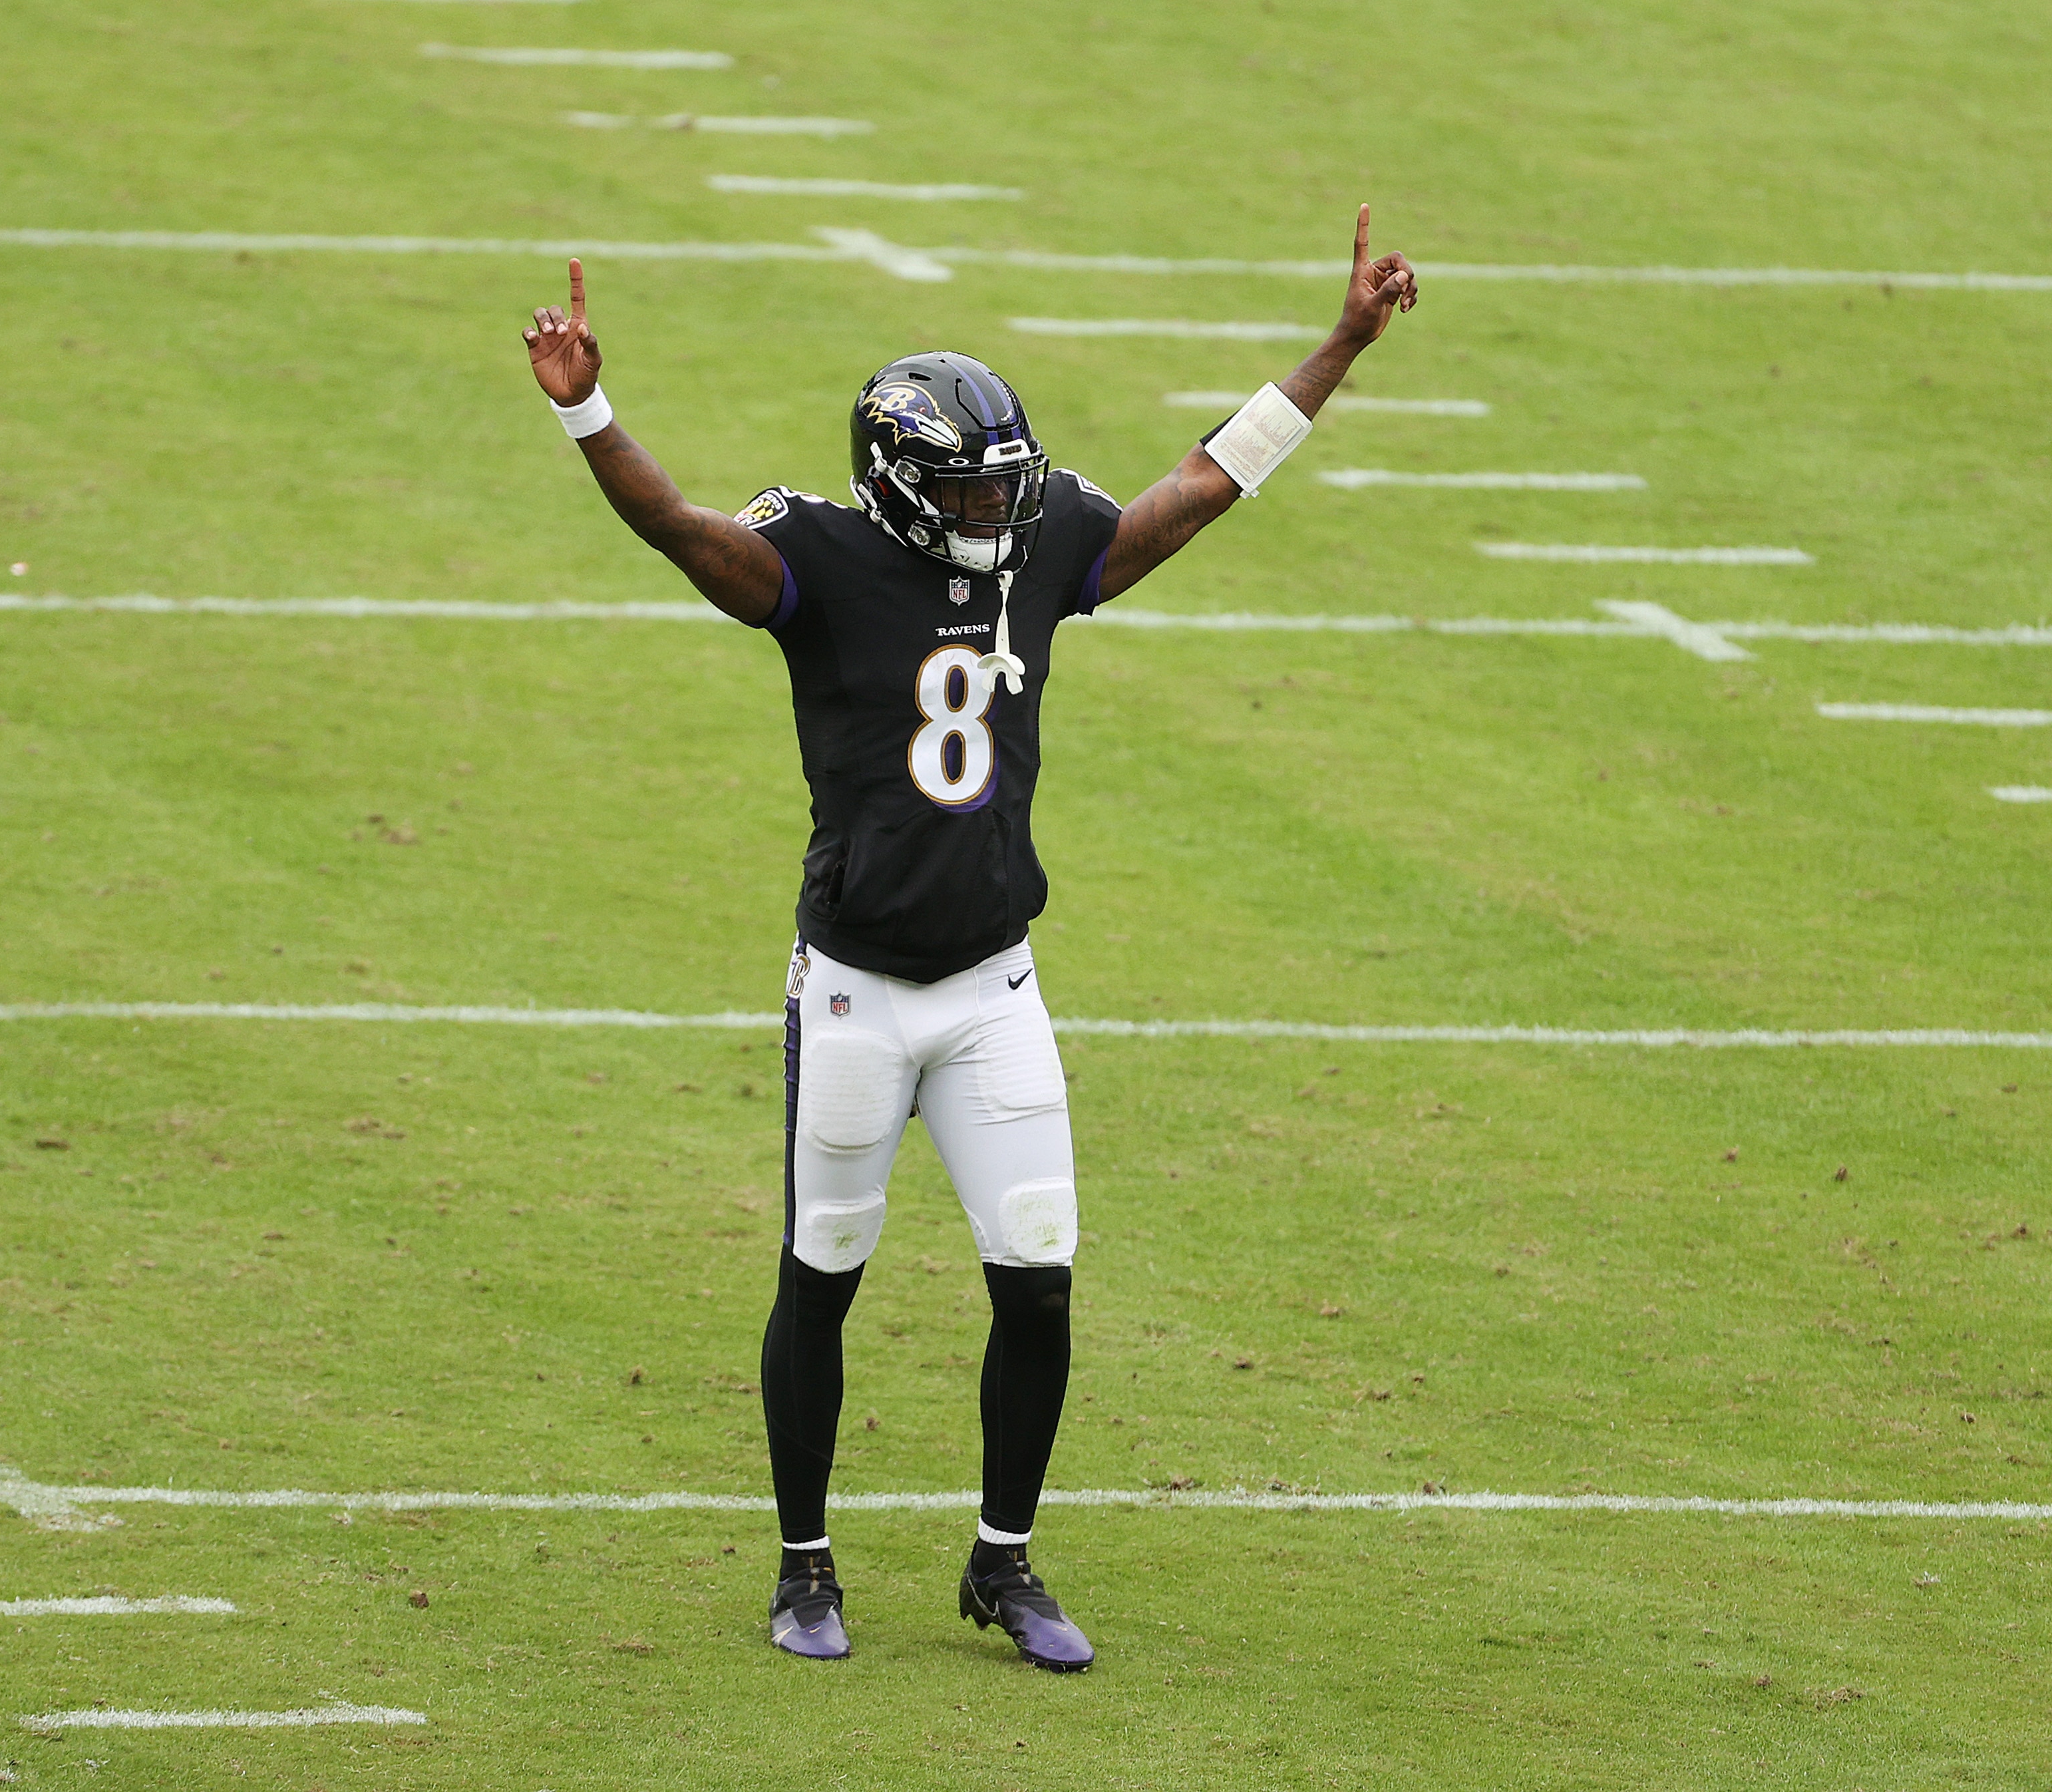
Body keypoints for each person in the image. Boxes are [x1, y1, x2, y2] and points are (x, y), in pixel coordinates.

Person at [522, 208, 1419, 1670]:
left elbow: (1194, 491)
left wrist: (1335, 350)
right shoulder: (808, 556)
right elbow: (677, 529)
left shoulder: (1041, 534)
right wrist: (589, 416)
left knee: (1038, 1271)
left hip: (997, 986)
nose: (1000, 512)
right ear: (891, 480)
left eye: (1003, 489)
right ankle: (803, 1567)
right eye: (969, 490)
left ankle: (1001, 1565)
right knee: (823, 1268)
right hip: (856, 993)